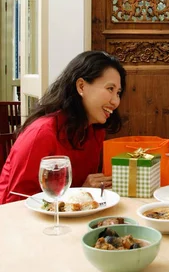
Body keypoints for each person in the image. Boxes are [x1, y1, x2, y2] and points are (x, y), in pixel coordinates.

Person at [0, 50, 126, 204]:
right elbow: (16, 202)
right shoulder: (42, 133)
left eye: (118, 93)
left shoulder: (95, 131)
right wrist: (80, 193)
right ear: (81, 86)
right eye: (110, 89)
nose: (116, 101)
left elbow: (81, 189)